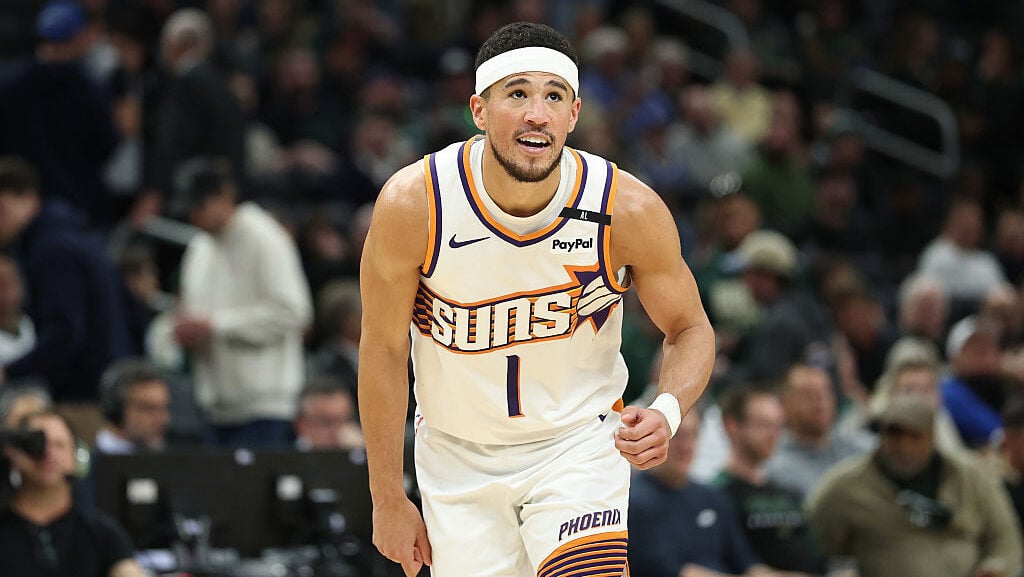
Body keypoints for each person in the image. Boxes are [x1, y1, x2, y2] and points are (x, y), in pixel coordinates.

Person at [358, 22, 715, 577]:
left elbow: (690, 328)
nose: (537, 113)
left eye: (554, 96)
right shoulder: (416, 204)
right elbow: (382, 349)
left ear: (574, 115)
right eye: (518, 93)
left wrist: (667, 411)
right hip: (456, 455)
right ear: (479, 110)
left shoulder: (626, 209)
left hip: (577, 445)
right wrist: (386, 497)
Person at [173, 157, 312, 447]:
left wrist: (214, 326)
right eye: (190, 209)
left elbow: (293, 312)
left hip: (265, 408)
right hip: (213, 407)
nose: (194, 216)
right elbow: (191, 313)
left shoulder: (264, 236)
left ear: (224, 196)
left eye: (200, 206)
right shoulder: (199, 248)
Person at [0, 156, 139, 444]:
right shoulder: (75, 237)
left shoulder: (53, 252)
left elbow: (65, 333)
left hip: (82, 399)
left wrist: (10, 372)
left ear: (29, 199)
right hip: (104, 388)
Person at [807, 395, 1023, 577]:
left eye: (914, 436)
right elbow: (816, 545)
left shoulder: (970, 476)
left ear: (932, 437)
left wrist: (996, 567)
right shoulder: (846, 487)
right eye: (895, 434)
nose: (904, 446)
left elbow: (1004, 537)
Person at [629, 408, 777, 577]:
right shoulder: (635, 502)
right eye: (676, 436)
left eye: (692, 435)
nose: (685, 446)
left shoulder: (713, 497)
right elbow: (670, 571)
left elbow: (747, 565)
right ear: (650, 439)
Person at [0, 410, 148, 577]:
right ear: (14, 453)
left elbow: (127, 570)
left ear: (75, 456)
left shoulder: (100, 533)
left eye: (59, 445)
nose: (48, 453)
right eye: (36, 444)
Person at [713, 385, 825, 574]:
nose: (773, 435)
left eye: (778, 426)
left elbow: (815, 555)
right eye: (763, 425)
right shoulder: (717, 494)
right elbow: (735, 562)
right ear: (731, 426)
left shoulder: (788, 491)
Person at [764, 363, 870, 499]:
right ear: (785, 404)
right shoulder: (775, 465)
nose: (820, 402)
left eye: (825, 392)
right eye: (808, 395)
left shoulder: (862, 447)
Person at [94, 358, 171, 454]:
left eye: (164, 408)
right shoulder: (88, 462)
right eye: (148, 409)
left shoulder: (169, 455)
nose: (163, 419)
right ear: (117, 412)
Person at [294, 376, 363, 451]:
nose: (340, 432)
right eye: (326, 422)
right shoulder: (288, 455)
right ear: (301, 426)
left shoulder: (359, 449)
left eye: (346, 420)